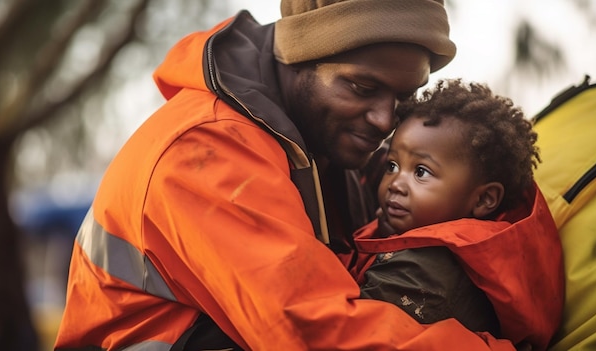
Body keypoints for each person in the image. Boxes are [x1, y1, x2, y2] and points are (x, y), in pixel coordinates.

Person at [55, 1, 525, 350]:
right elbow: (313, 335)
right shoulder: (207, 150)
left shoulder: (324, 146)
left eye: (403, 98)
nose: (385, 120)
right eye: (363, 87)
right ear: (299, 58)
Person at [349, 79, 564, 351]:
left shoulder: (423, 270)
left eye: (421, 172)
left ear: (484, 199)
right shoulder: (431, 246)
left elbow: (350, 330)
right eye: (393, 165)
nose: (396, 183)